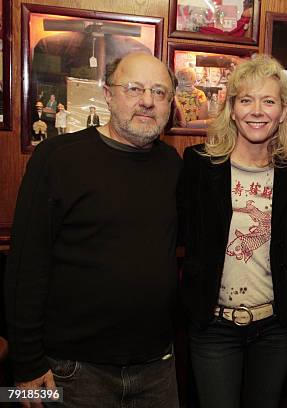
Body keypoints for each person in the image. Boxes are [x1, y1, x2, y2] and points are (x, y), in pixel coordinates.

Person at [5, 52, 182, 407]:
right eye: (134, 88)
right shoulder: (57, 158)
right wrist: (25, 364)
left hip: (157, 367)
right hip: (73, 370)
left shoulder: (172, 165)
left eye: (159, 92)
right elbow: (27, 264)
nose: (147, 101)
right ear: (108, 94)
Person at [180, 54, 287, 408]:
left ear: (281, 111)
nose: (257, 111)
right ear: (231, 108)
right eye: (246, 99)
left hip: (275, 329)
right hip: (214, 328)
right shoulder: (199, 165)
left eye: (268, 101)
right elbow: (181, 238)